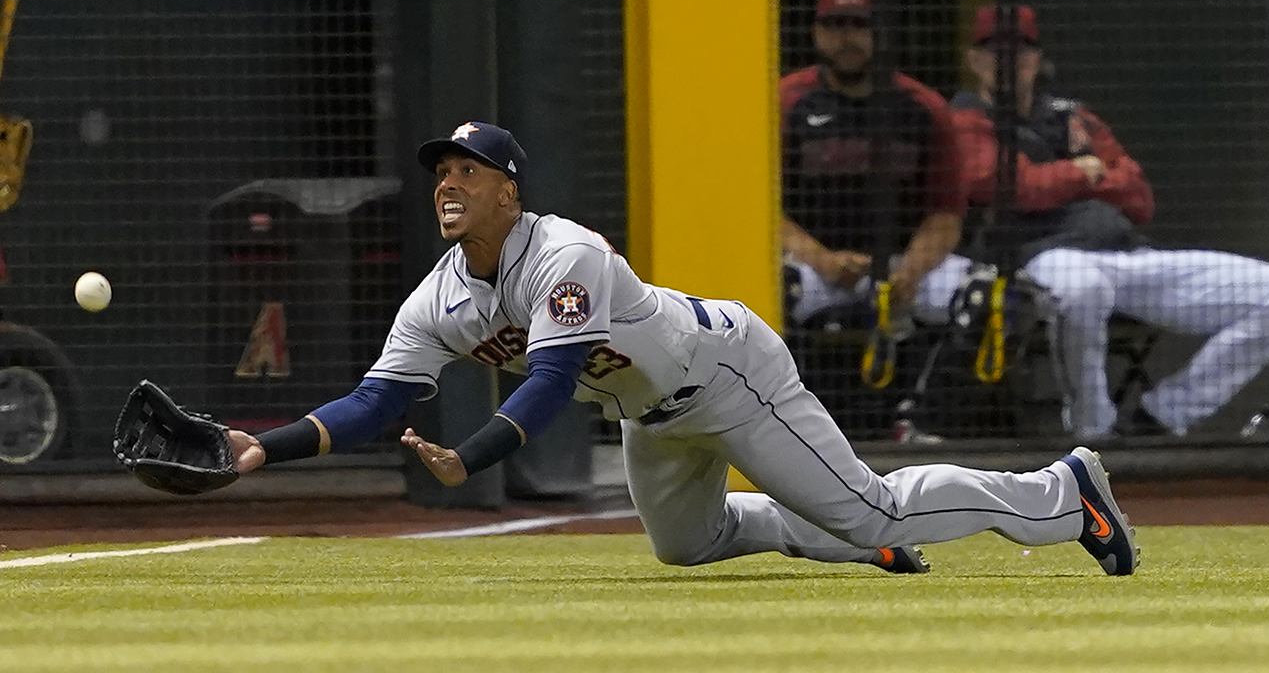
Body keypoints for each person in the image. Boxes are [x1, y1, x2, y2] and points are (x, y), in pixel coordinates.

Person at [220, 119, 1139, 576]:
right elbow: (377, 402)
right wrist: (270, 445)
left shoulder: (564, 252)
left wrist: (473, 456)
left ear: (509, 190)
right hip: (648, 416)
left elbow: (550, 381)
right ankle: (845, 535)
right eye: (441, 174)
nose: (448, 185)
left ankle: (1062, 495)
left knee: (878, 511)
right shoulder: (438, 297)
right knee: (689, 548)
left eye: (468, 171)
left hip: (729, 375)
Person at [950, 4, 1269, 440]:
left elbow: (1139, 197)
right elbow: (1006, 186)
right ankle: (1091, 431)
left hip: (1123, 253)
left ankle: (1160, 417)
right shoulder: (965, 118)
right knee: (1084, 288)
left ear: (1037, 59)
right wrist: (1081, 171)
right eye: (996, 51)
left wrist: (1067, 178)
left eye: (1021, 50)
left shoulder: (1073, 116)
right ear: (974, 60)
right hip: (1038, 259)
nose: (1010, 61)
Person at [779, 0, 970, 332]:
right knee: (767, 293)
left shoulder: (924, 107)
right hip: (812, 267)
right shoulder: (783, 102)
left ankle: (935, 389)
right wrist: (823, 260)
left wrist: (910, 272)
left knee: (982, 300)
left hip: (906, 264)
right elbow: (759, 208)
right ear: (815, 33)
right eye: (835, 24)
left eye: (861, 24)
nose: (847, 37)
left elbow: (945, 213)